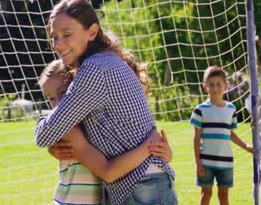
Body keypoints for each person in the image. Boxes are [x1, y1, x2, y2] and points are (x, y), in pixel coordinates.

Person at [35, 0, 177, 205]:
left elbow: (44, 134)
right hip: (141, 183)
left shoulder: (94, 69)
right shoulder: (107, 60)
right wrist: (57, 144)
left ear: (92, 32)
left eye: (67, 35)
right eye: (54, 37)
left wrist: (47, 130)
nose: (59, 44)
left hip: (141, 185)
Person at [39, 59, 172, 204]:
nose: (58, 104)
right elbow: (108, 172)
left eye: (64, 93)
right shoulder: (71, 132)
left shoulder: (96, 123)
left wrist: (163, 152)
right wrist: (149, 145)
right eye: (51, 98)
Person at [189, 65, 254, 205]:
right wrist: (197, 161)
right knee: (206, 194)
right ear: (205, 86)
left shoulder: (231, 109)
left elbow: (230, 133)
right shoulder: (200, 110)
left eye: (218, 84)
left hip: (226, 161)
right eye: (211, 85)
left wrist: (246, 146)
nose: (215, 88)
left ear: (226, 86)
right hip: (206, 162)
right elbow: (196, 138)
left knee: (223, 196)